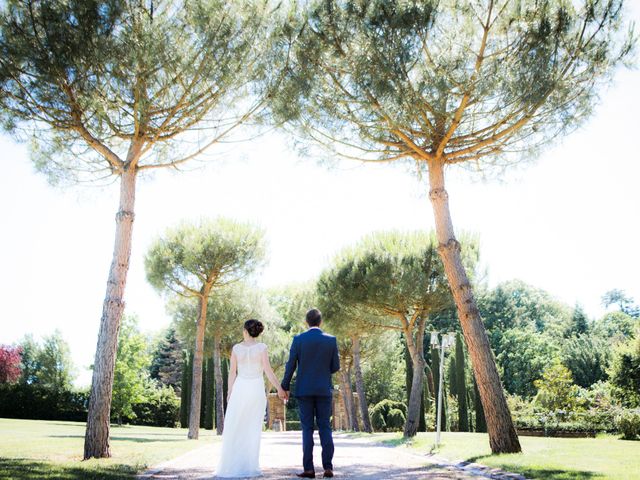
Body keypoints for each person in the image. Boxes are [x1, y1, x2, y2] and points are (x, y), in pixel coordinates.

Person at [216, 319, 286, 478]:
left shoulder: (236, 349)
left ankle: (232, 464)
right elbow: (268, 371)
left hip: (240, 388)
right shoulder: (262, 348)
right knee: (252, 428)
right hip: (256, 389)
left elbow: (232, 373)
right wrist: (279, 388)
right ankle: (249, 465)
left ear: (246, 331)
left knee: (236, 426)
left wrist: (229, 392)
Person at [281, 308, 340, 479]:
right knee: (325, 427)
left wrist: (284, 386)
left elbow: (290, 365)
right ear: (320, 322)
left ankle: (309, 469)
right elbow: (335, 366)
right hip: (323, 390)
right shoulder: (331, 340)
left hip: (304, 390)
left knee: (307, 429)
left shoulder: (299, 340)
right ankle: (328, 467)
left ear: (306, 322)